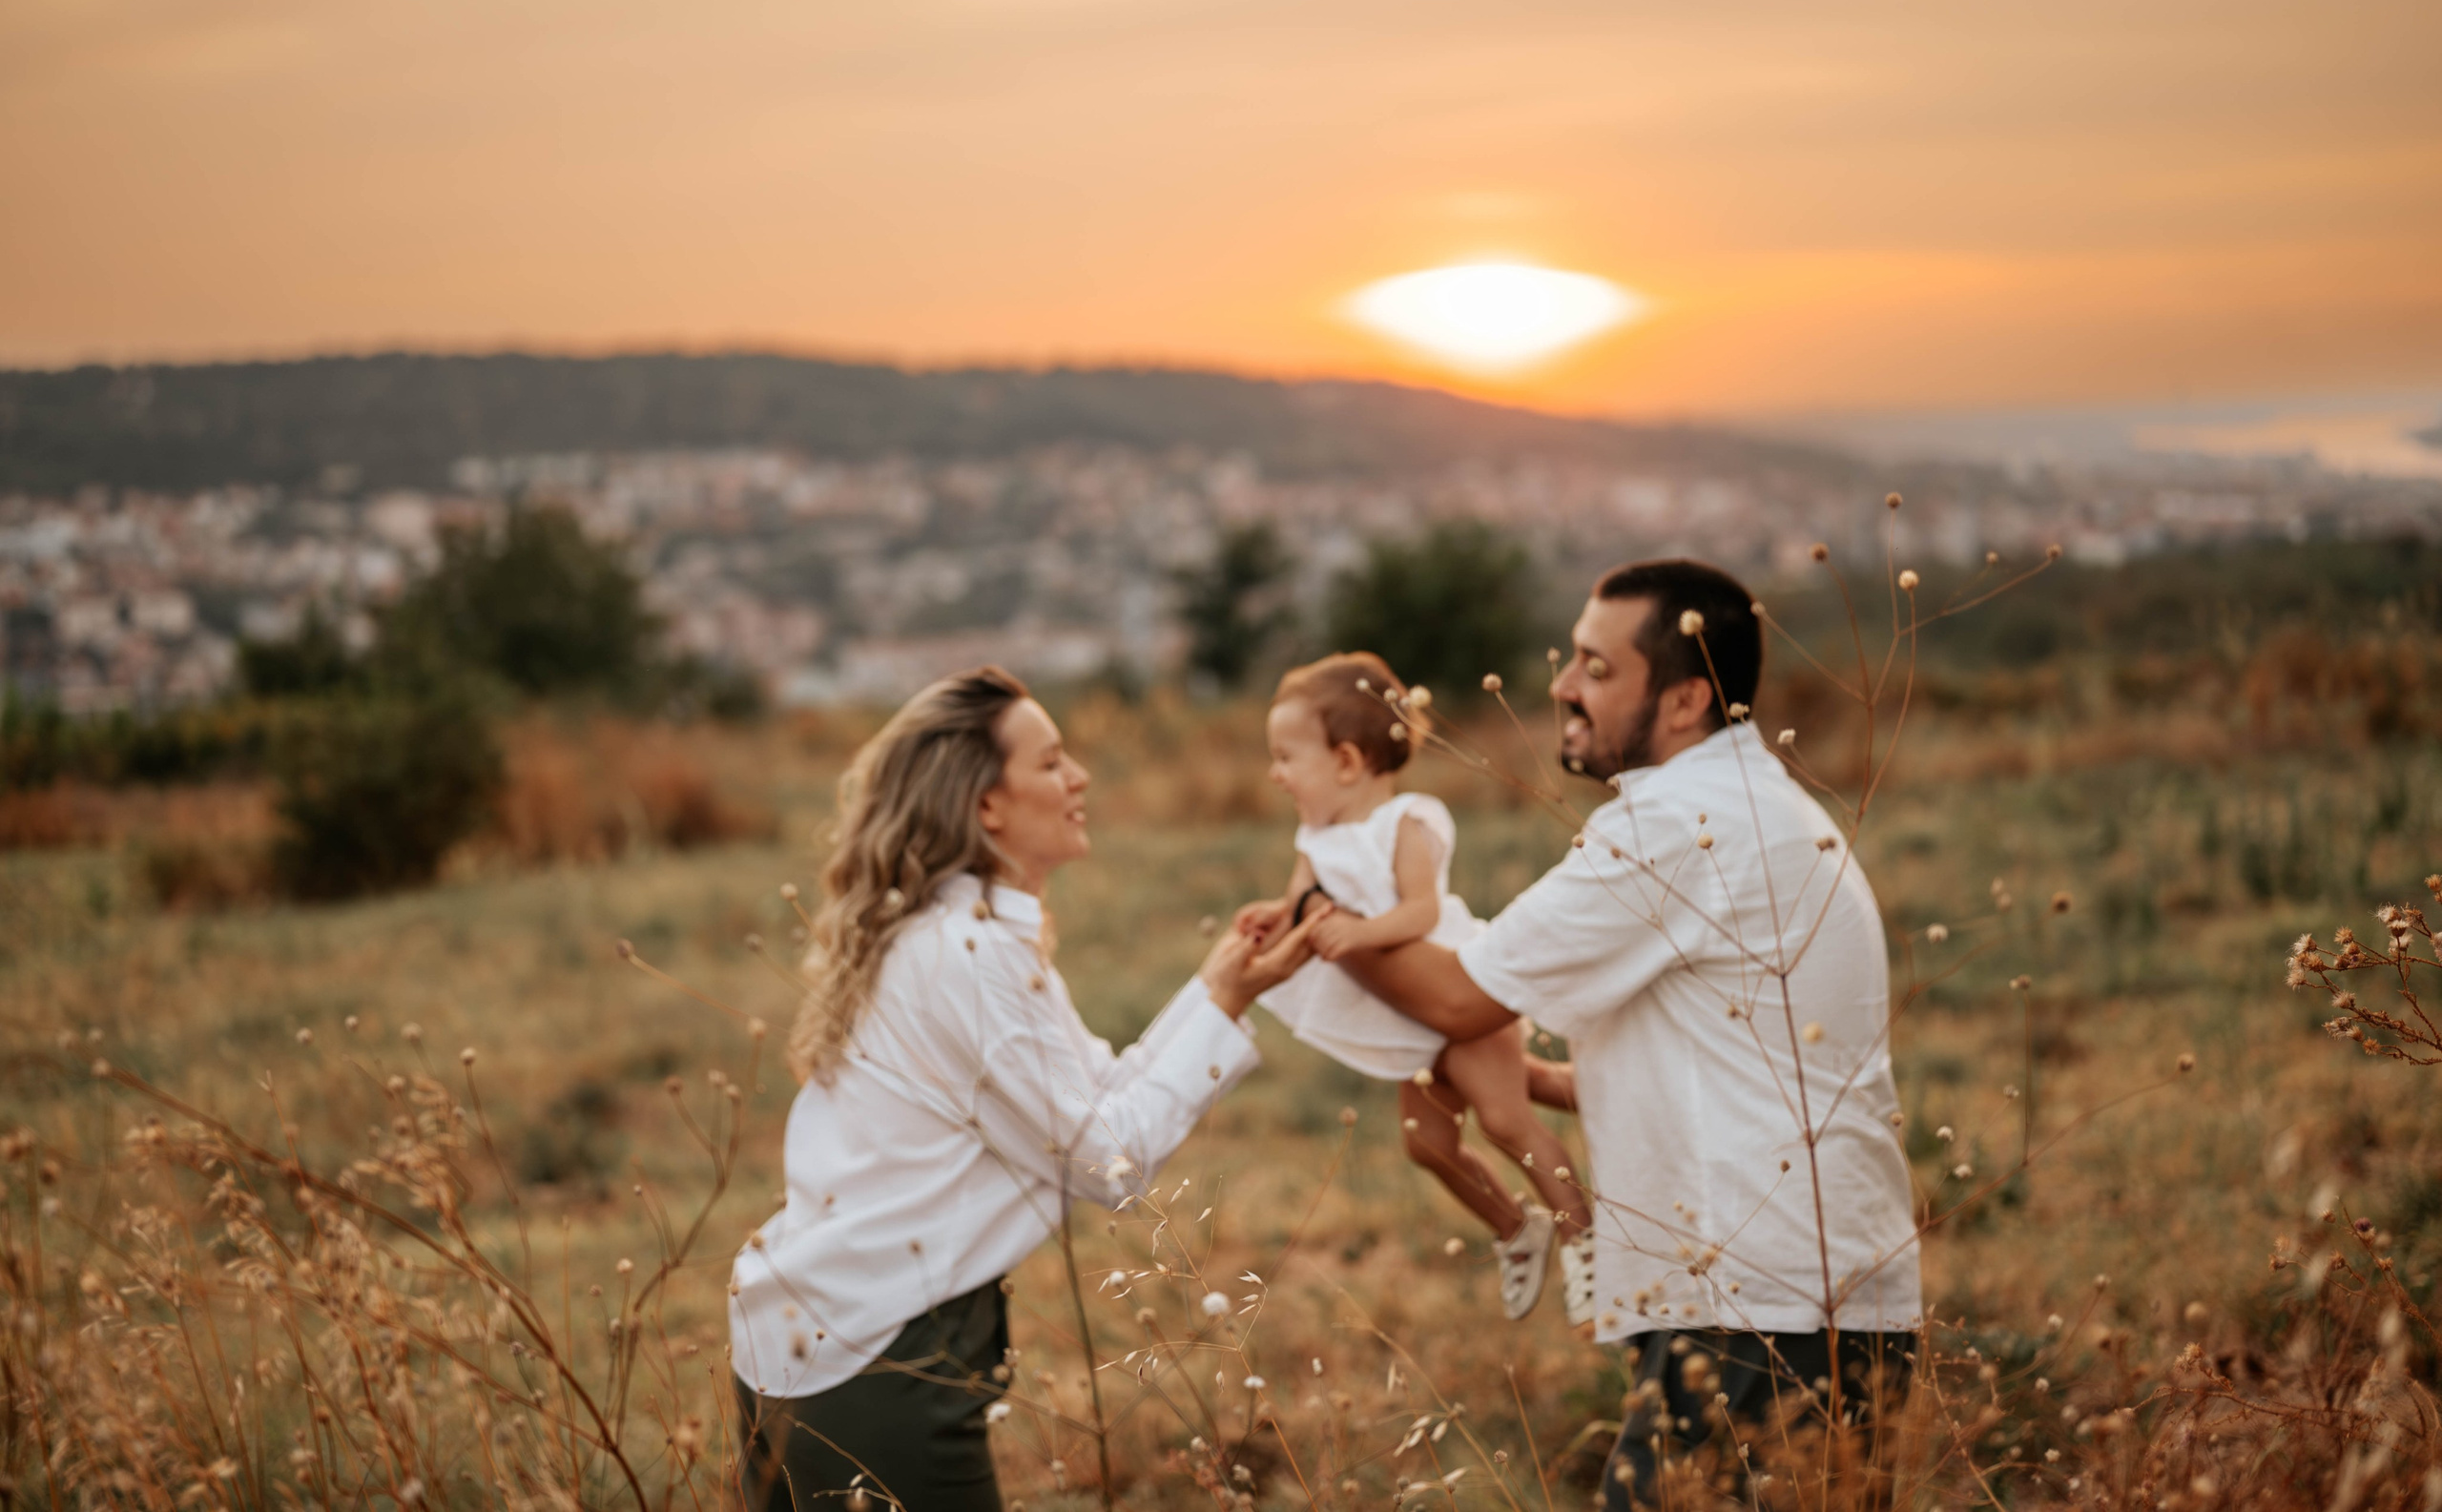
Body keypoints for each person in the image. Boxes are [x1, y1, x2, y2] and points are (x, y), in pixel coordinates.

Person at [1316, 560, 1922, 1506]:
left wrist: (1326, 916)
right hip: (1800, 1297)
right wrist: (1530, 1083)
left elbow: (1457, 999)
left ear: (1683, 700)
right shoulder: (1748, 805)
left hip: (1755, 1309)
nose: (1561, 684)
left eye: (1595, 668)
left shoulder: (1680, 826)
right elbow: (1709, 1056)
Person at [728, 666, 1326, 1512]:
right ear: (986, 804)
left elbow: (1093, 1094)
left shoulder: (957, 935)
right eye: (1051, 763)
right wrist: (1224, 1005)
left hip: (823, 1343)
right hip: (871, 1361)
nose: (1079, 777)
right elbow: (1107, 1162)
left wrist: (1218, 988)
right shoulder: (968, 956)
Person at [1245, 652, 1597, 1323]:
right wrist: (1272, 915)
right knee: (1425, 1142)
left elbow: (1420, 911)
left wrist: (1363, 933)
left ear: (1346, 761)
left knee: (1505, 1120)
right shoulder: (1315, 837)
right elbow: (1300, 903)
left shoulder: (1407, 820)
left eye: (1286, 757)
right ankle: (1516, 1226)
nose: (1275, 773)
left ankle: (1588, 1235)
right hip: (1411, 1023)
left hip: (1461, 994)